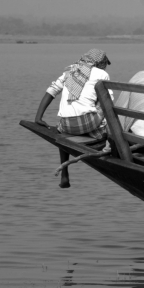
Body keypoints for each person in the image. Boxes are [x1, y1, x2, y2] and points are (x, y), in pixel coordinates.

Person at [35, 48, 113, 187]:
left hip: (67, 125)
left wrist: (38, 117)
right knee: (104, 103)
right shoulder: (102, 74)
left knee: (62, 133)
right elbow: (109, 102)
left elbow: (52, 90)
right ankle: (104, 138)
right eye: (104, 63)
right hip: (89, 123)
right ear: (99, 63)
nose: (105, 66)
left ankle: (64, 173)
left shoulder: (70, 71)